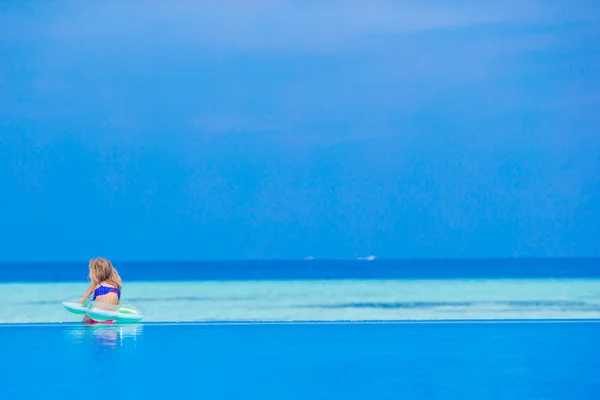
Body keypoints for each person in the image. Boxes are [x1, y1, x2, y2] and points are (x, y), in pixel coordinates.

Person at [79, 257, 123, 324]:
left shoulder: (97, 285)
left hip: (96, 321)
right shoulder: (116, 287)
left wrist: (91, 287)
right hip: (109, 325)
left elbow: (81, 301)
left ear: (95, 273)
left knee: (85, 319)